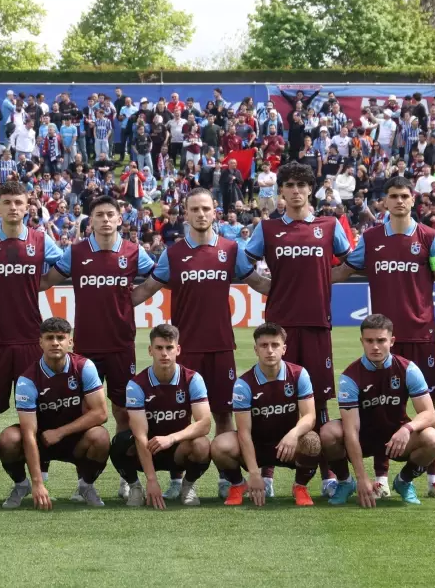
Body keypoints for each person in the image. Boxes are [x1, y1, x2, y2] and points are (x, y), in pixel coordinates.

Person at [130, 188, 268, 498]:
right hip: (185, 348)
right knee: (180, 414)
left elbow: (257, 282)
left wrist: (292, 288)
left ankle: (225, 475)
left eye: (206, 208)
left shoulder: (232, 249)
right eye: (195, 209)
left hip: (220, 345)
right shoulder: (174, 253)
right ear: (186, 214)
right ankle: (178, 479)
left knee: (222, 414)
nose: (201, 214)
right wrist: (112, 305)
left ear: (215, 211)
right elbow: (148, 288)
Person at [333, 176, 435, 500]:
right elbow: (342, 272)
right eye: (393, 196)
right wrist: (301, 275)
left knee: (426, 410)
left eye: (404, 195)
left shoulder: (430, 238)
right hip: (384, 338)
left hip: (421, 335)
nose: (399, 200)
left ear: (413, 200)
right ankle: (382, 478)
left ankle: (433, 479)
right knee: (381, 410)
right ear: (384, 202)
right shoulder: (371, 239)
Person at [240, 161, 351, 498]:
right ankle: (269, 473)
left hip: (317, 325)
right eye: (290, 185)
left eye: (303, 185)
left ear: (309, 190)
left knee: (318, 402)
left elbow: (348, 264)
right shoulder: (268, 228)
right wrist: (268, 287)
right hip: (279, 329)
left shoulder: (329, 226)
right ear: (282, 191)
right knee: (273, 399)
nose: (296, 191)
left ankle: (328, 474)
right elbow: (243, 264)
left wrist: (321, 282)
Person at [41, 196, 155, 501]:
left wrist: (129, 300)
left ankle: (125, 476)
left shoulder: (133, 251)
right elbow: (48, 280)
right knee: (85, 411)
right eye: (99, 215)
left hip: (120, 344)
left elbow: (157, 279)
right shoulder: (76, 252)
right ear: (90, 221)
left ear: (120, 219)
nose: (105, 220)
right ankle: (84, 482)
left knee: (123, 411)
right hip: (86, 346)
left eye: (110, 215)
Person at [0, 180, 64, 500]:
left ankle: (38, 476)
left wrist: (40, 283)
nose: (13, 208)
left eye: (18, 202)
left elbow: (62, 266)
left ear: (27, 207)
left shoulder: (41, 240)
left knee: (37, 411)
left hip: (29, 338)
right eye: (6, 202)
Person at [321, 314, 435, 507]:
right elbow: (351, 430)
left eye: (381, 340)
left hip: (396, 438)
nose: (375, 346)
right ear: (362, 341)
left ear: (391, 341)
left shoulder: (408, 369)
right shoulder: (350, 377)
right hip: (363, 438)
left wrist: (407, 429)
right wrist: (362, 478)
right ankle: (345, 482)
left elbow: (429, 413)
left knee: (432, 438)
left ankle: (404, 482)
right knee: (328, 433)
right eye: (369, 341)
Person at [0, 317, 110, 510]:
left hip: (75, 439)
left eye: (61, 337)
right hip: (41, 440)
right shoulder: (27, 380)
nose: (55, 342)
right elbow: (28, 433)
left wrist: (60, 432)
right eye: (49, 338)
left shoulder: (84, 367)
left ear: (70, 341)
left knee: (100, 436)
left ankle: (86, 486)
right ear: (41, 342)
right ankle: (21, 485)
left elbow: (100, 413)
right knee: (8, 438)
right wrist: (37, 483)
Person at [212, 322, 320, 507]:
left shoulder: (299, 374)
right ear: (256, 349)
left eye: (275, 345)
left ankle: (300, 486)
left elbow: (310, 416)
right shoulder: (243, 384)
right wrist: (254, 473)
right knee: (219, 445)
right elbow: (244, 432)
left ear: (284, 348)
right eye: (264, 346)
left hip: (287, 446)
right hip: (256, 446)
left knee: (312, 441)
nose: (270, 351)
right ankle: (239, 484)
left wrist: (293, 434)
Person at [112, 323, 213, 508]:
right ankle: (135, 486)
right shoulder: (136, 385)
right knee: (119, 443)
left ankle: (187, 486)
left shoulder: (192, 379)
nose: (164, 353)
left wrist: (171, 438)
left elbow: (205, 423)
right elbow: (140, 433)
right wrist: (152, 480)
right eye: (159, 348)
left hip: (177, 448)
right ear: (150, 350)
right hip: (148, 448)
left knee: (202, 444)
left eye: (169, 348)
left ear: (178, 349)